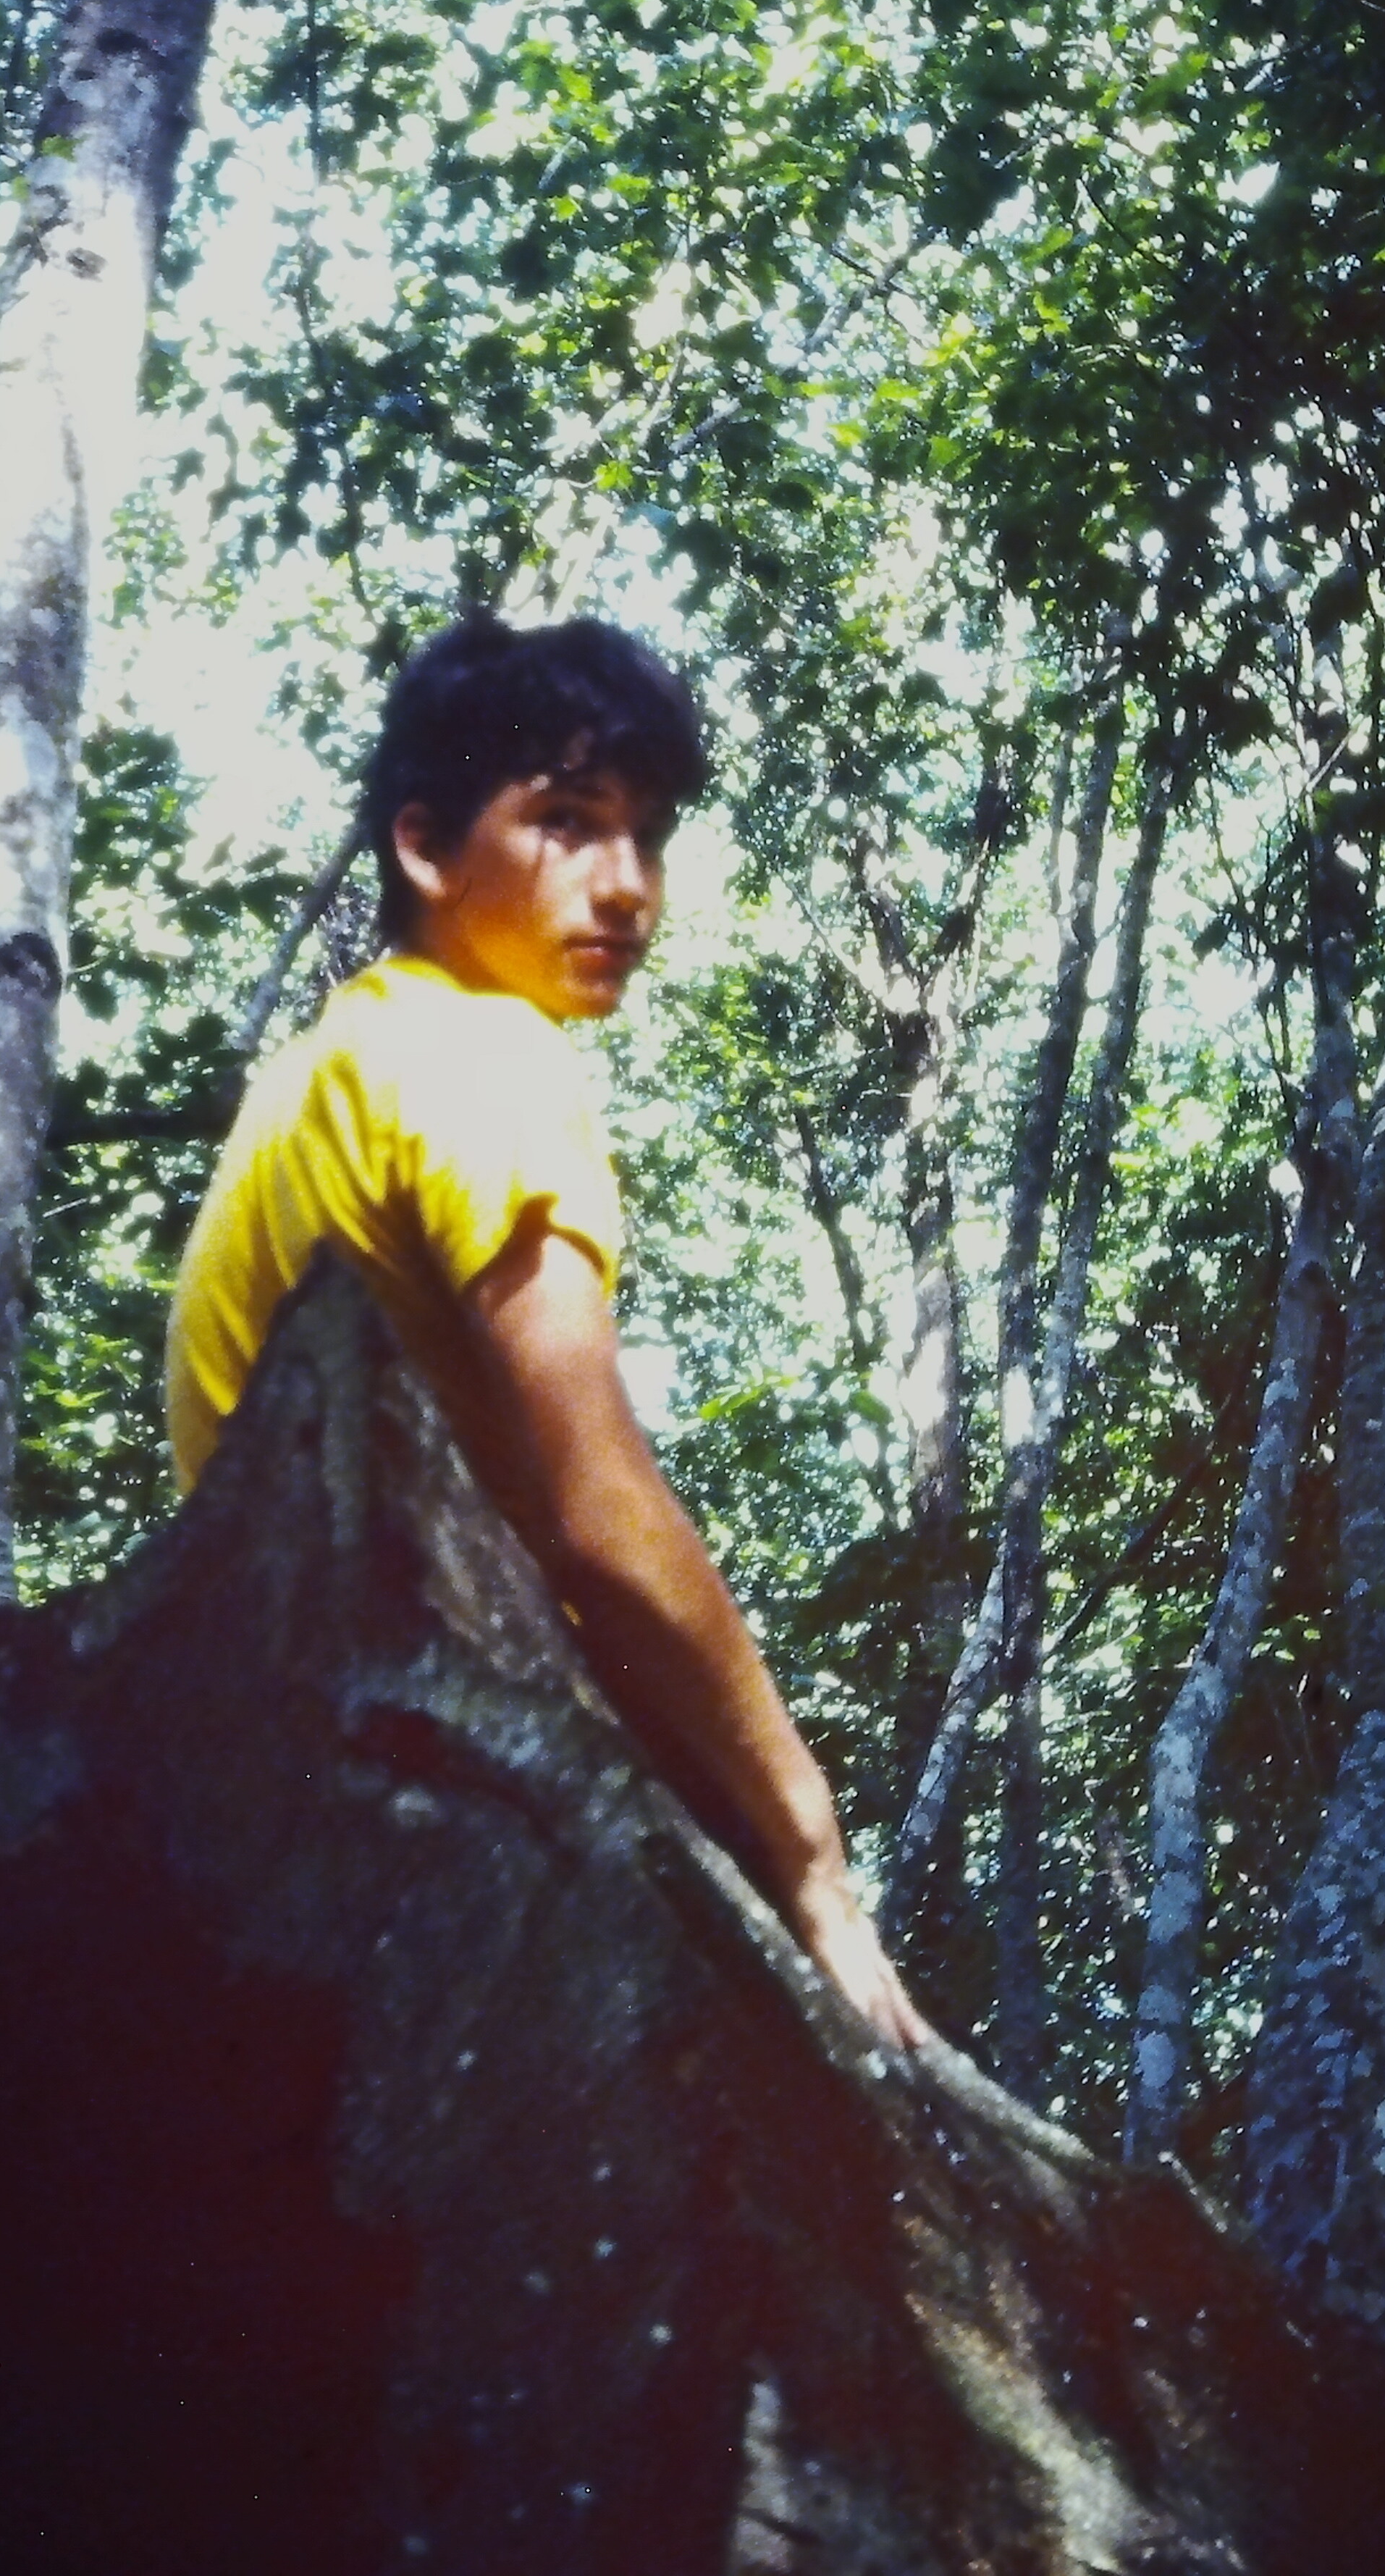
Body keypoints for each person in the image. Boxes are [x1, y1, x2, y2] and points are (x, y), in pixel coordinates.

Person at [166, 615, 938, 2052]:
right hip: (441, 1797)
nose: (626, 886)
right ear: (424, 847)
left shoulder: (325, 1064)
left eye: (647, 836)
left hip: (270, 1769)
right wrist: (809, 1849)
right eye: (567, 822)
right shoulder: (482, 1054)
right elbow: (600, 1509)